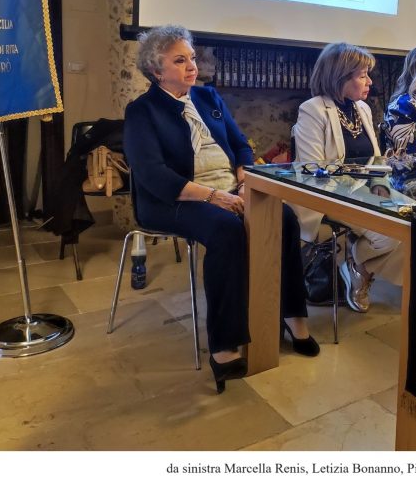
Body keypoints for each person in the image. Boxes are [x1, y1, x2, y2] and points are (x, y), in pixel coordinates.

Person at [124, 25, 318, 395]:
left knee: (284, 218)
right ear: (156, 70)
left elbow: (241, 145)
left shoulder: (207, 96)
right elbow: (153, 176)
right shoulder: (141, 111)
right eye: (179, 61)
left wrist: (245, 181)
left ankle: (292, 314)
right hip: (173, 199)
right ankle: (225, 344)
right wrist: (214, 197)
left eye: (192, 58)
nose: (191, 66)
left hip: (230, 189)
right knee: (227, 229)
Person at [293, 43, 403, 313]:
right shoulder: (313, 109)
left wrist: (379, 184)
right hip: (329, 194)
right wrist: (359, 193)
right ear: (340, 77)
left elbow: (376, 158)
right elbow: (312, 170)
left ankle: (357, 269)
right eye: (363, 75)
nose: (370, 81)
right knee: (390, 234)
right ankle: (359, 267)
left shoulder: (362, 108)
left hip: (365, 188)